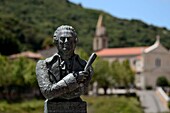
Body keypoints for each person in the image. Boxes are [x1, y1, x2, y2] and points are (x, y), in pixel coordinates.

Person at [36, 25, 93, 101]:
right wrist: (73, 79)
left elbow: (82, 90)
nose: (66, 41)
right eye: (62, 39)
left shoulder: (85, 66)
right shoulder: (44, 65)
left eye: (69, 39)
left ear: (75, 42)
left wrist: (57, 90)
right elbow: (47, 93)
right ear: (56, 42)